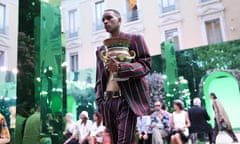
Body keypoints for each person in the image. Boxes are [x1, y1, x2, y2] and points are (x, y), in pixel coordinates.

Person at [95, 9, 151, 144]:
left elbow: (145, 65)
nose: (105, 22)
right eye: (103, 20)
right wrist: (100, 102)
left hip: (127, 99)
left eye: (109, 18)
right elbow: (99, 79)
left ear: (119, 20)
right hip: (108, 101)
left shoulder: (135, 40)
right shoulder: (101, 50)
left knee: (124, 141)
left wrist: (121, 68)